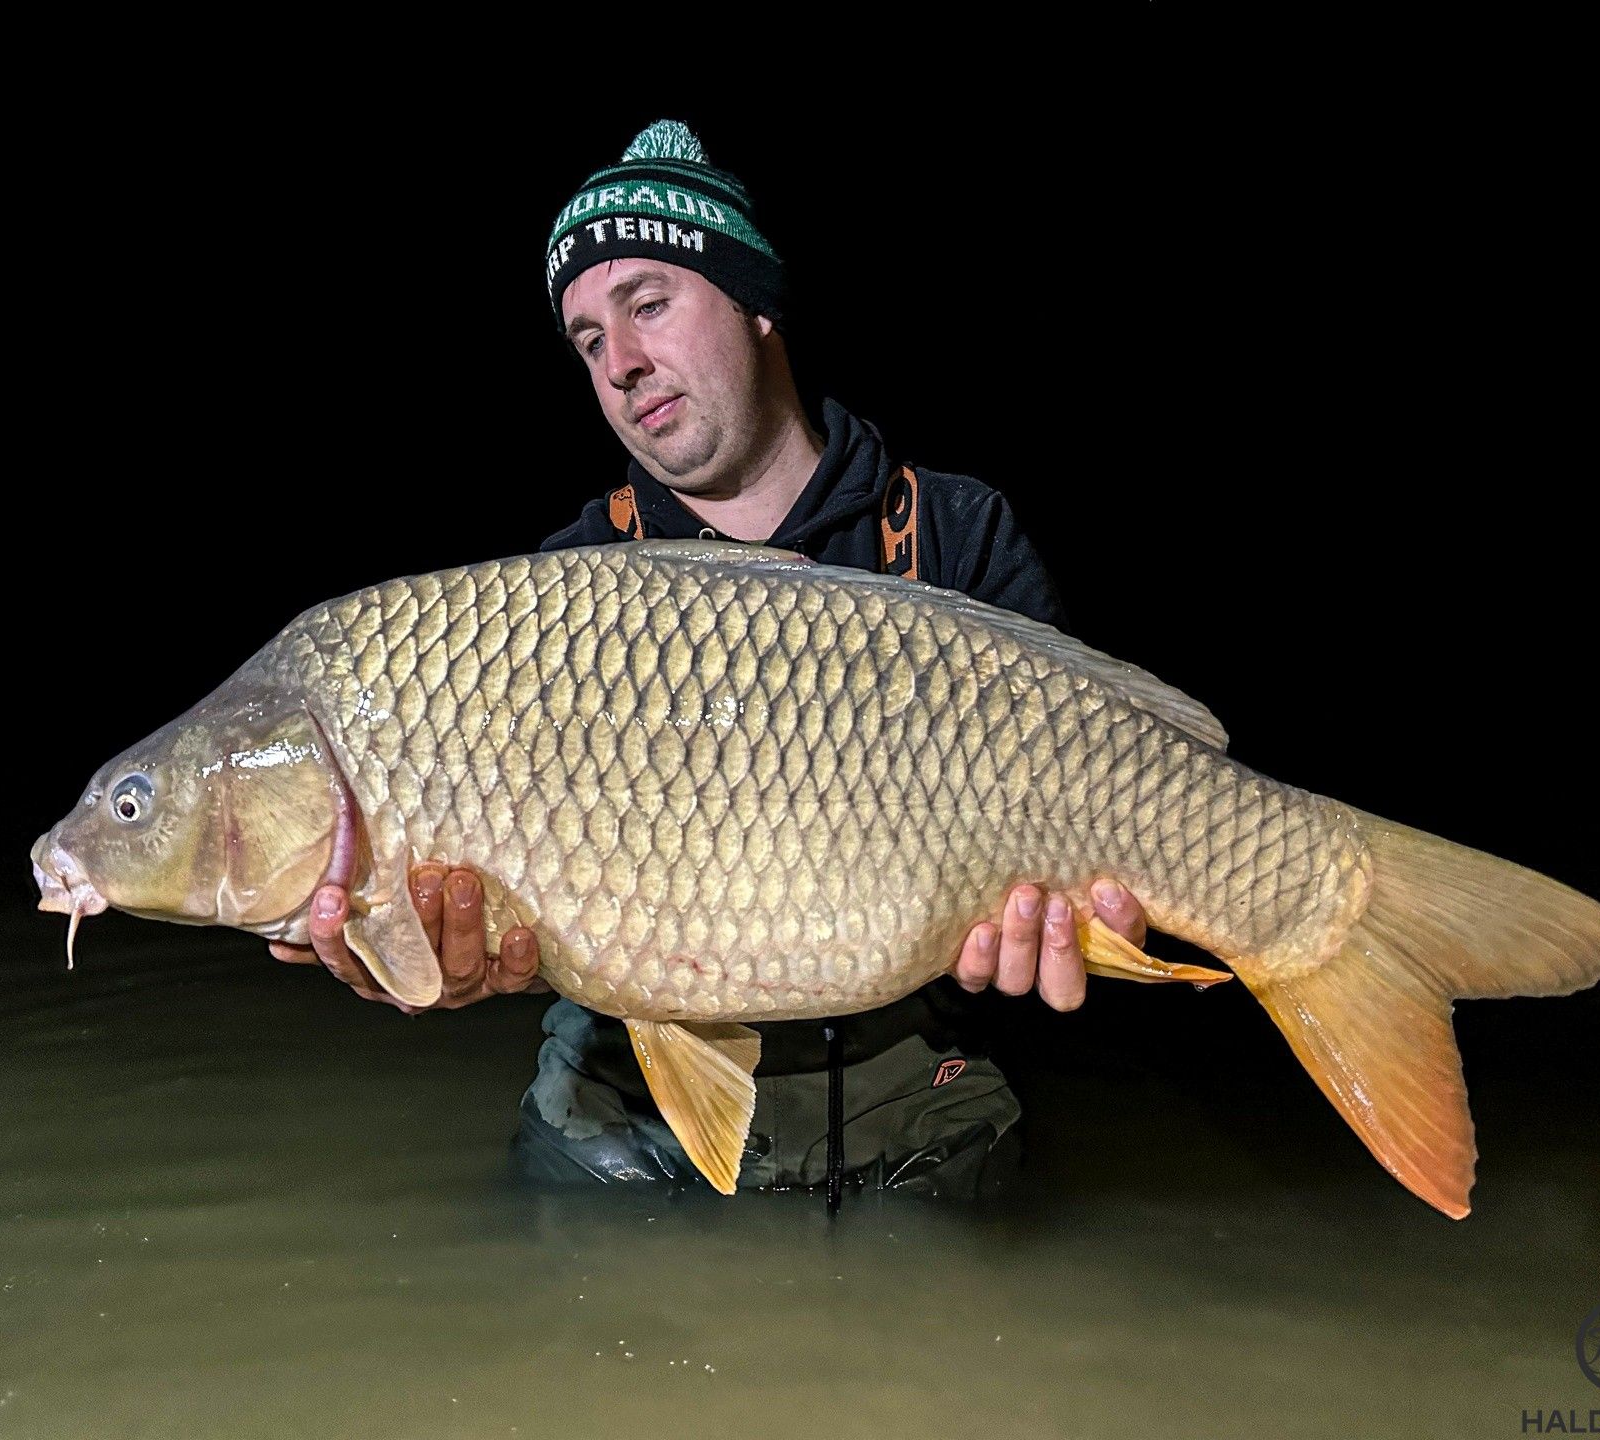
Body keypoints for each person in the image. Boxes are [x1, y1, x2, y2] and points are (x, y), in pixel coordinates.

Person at [272, 121, 1147, 1197]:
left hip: (918, 1094)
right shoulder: (568, 590)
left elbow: (1094, 855)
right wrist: (427, 963)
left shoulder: (954, 540)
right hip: (619, 1105)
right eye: (588, 340)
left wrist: (1080, 931)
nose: (623, 362)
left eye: (648, 304)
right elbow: (470, 899)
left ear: (757, 302)